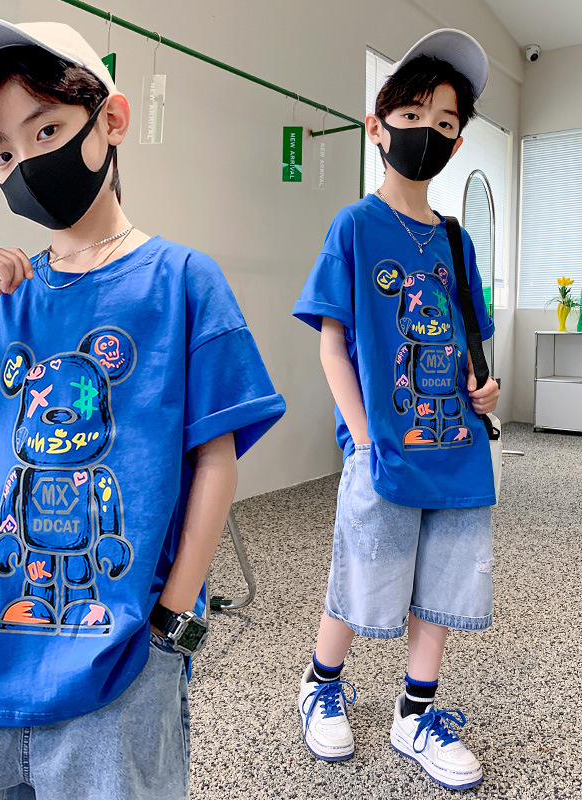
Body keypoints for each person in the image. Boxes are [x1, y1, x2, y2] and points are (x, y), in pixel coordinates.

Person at [0, 15, 285, 800]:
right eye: (3, 153)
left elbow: (217, 458)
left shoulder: (181, 282)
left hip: (117, 673)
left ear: (112, 120)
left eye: (46, 130)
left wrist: (173, 626)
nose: (27, 163)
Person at [291, 29, 499, 791]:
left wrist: (486, 390)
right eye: (412, 116)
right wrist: (362, 438)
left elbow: (470, 340)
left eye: (444, 122)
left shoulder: (456, 240)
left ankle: (416, 712)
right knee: (365, 570)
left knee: (443, 582)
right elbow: (332, 346)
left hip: (457, 446)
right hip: (382, 445)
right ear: (377, 127)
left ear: (457, 141)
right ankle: (321, 684)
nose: (427, 132)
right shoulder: (354, 226)